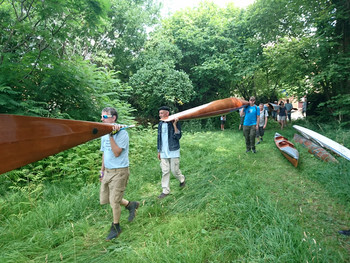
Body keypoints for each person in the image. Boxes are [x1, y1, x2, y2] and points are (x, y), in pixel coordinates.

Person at [99, 107, 139, 241]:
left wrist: (111, 135)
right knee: (108, 198)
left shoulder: (122, 134)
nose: (102, 119)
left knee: (114, 201)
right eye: (102, 117)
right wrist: (102, 171)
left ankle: (116, 227)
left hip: (120, 171)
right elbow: (105, 153)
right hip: (108, 171)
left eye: (105, 117)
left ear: (113, 118)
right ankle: (130, 205)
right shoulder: (104, 133)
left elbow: (116, 152)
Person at [157, 106, 186, 199]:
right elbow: (159, 138)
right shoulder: (160, 124)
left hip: (173, 150)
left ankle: (182, 179)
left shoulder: (175, 121)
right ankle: (165, 191)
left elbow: (178, 136)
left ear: (167, 113)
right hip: (163, 151)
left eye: (162, 113)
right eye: (159, 113)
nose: (160, 115)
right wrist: (159, 151)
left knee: (174, 170)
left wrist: (174, 125)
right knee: (165, 171)